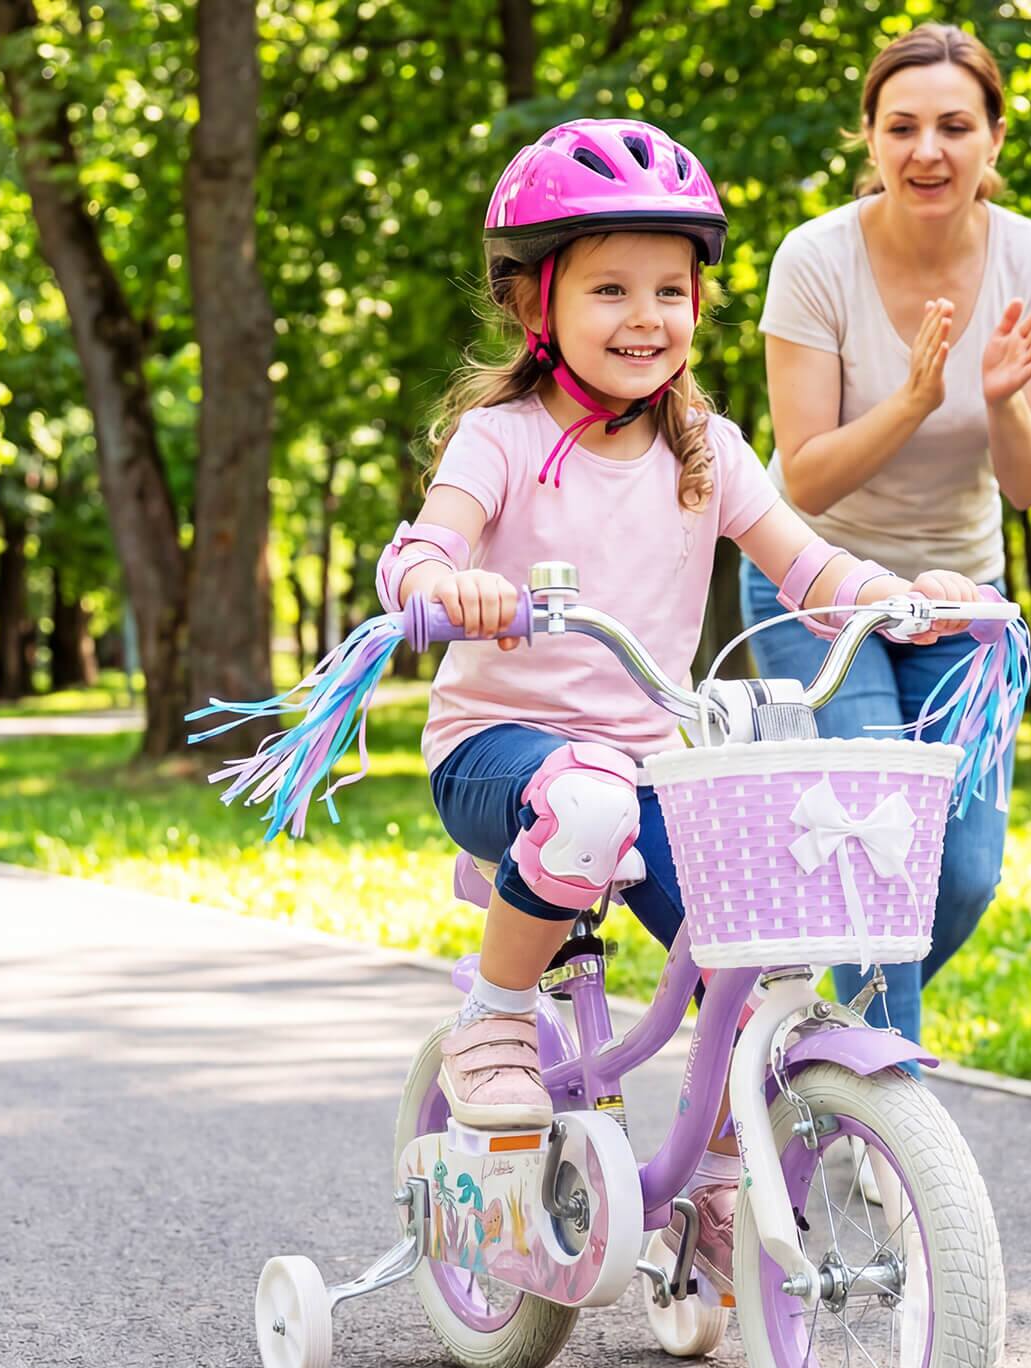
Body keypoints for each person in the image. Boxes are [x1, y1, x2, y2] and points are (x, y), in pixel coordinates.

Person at [376, 118, 985, 1295]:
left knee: (748, 936)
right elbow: (427, 542)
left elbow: (811, 571)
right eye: (609, 288)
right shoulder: (498, 440)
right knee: (588, 802)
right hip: (500, 755)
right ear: (534, 305)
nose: (646, 315)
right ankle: (499, 1014)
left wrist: (905, 599)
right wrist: (439, 583)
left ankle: (715, 1171)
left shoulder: (705, 447)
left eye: (671, 287)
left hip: (648, 762)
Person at [739, 22, 1031, 1048]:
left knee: (964, 868)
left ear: (993, 139)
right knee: (878, 846)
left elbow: (1027, 485)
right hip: (819, 579)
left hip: (957, 592)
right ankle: (883, 1115)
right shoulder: (814, 260)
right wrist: (916, 398)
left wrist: (1003, 402)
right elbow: (802, 472)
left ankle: (825, 1029)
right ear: (871, 140)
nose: (926, 149)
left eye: (952, 125)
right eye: (902, 127)